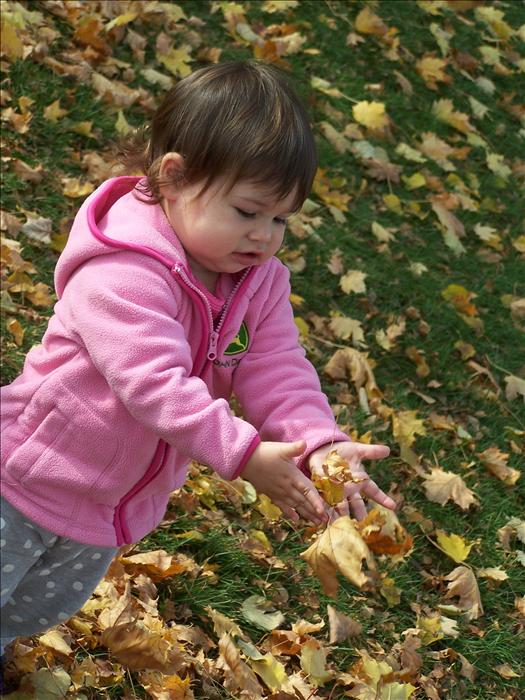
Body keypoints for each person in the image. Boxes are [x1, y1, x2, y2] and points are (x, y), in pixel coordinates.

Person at [0, 60, 395, 648]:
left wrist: (320, 444)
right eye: (246, 212)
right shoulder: (124, 269)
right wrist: (244, 455)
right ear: (176, 177)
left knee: (41, 606)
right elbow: (153, 384)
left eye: (281, 219)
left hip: (112, 505)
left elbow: (278, 368)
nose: (264, 235)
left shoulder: (259, 283)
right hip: (27, 479)